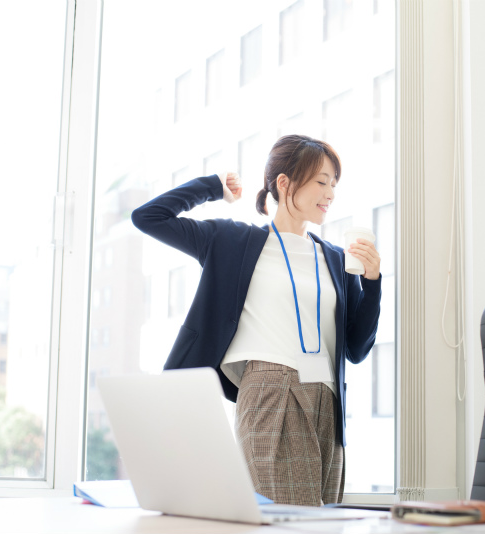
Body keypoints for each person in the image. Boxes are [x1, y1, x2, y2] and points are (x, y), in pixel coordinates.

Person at [131, 134, 381, 507]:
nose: (330, 193)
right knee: (286, 522)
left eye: (334, 184)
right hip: (270, 390)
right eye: (321, 181)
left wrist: (372, 283)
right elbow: (148, 217)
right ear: (285, 183)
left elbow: (357, 347)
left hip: (328, 401)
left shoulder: (334, 258)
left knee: (321, 523)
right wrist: (212, 187)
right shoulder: (232, 242)